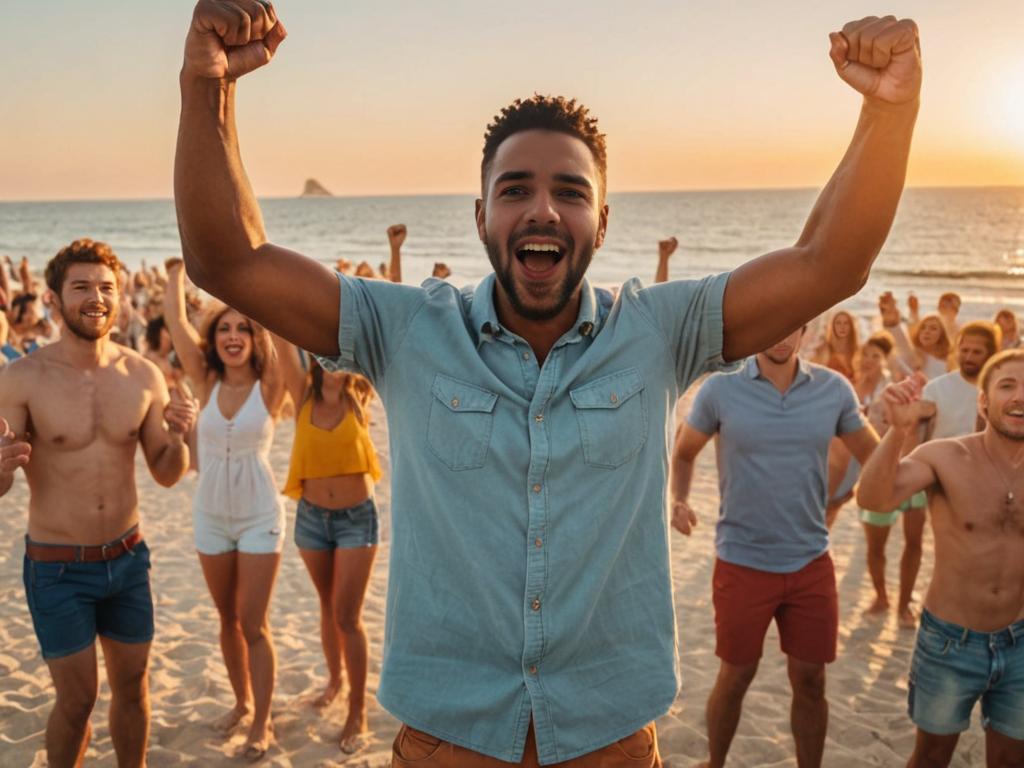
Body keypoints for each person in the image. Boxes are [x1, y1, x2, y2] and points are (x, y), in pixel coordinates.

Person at [175, 4, 921, 764]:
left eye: (569, 191)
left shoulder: (662, 330)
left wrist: (887, 113)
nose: (542, 209)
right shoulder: (406, 330)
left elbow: (828, 263)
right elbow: (227, 260)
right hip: (448, 737)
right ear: (479, 217)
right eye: (515, 190)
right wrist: (207, 88)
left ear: (601, 219)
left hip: (610, 737)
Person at [0, 239, 197, 768]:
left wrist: (180, 437)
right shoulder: (23, 378)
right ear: (52, 298)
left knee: (134, 688)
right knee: (78, 700)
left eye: (106, 287)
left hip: (129, 559)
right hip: (57, 567)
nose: (96, 298)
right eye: (81, 287)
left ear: (121, 296)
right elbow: (2, 480)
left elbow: (167, 473)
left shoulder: (144, 376)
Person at [670, 326, 877, 768]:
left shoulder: (833, 389)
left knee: (810, 680)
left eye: (792, 326)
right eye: (774, 323)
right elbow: (685, 451)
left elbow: (873, 458)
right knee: (736, 675)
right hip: (741, 561)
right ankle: (715, 763)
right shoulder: (721, 389)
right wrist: (680, 499)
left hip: (810, 560)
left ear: (806, 330)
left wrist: (849, 490)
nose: (781, 335)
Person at [856, 355, 1024, 768]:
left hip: (1020, 641)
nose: (1021, 397)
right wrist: (898, 431)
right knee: (931, 757)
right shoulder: (945, 457)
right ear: (982, 402)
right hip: (951, 642)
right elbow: (873, 498)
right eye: (1008, 386)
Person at [162, 257, 288, 760]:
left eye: (243, 328)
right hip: (210, 516)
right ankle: (240, 702)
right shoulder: (206, 384)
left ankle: (263, 721)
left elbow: (288, 332)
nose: (233, 336)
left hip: (261, 516)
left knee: (253, 622)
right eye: (225, 328)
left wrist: (266, 289)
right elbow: (175, 323)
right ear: (213, 338)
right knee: (226, 619)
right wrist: (175, 275)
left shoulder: (270, 387)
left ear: (256, 338)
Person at [277, 342, 382, 753]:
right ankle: (334, 681)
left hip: (358, 519)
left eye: (337, 353)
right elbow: (280, 340)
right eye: (323, 353)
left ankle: (357, 710)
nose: (331, 362)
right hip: (312, 519)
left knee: (347, 615)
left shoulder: (361, 394)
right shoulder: (302, 393)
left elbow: (381, 325)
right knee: (326, 605)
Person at [854, 332, 930, 625]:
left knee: (914, 542)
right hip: (875, 475)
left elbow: (917, 376)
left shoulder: (896, 384)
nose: (871, 360)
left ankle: (903, 606)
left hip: (910, 469)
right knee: (876, 547)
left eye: (877, 355)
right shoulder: (852, 389)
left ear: (885, 359)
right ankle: (881, 596)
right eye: (866, 354)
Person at [919, 321, 1000, 442]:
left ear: (990, 354)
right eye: (964, 350)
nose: (969, 357)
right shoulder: (935, 389)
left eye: (976, 352)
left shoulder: (1001, 392)